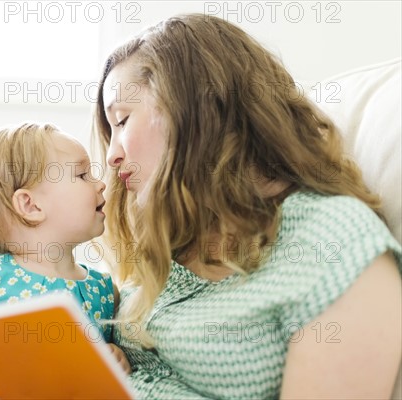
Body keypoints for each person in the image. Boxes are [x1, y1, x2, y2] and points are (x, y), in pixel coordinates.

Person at [90, 13, 402, 399]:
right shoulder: (174, 242)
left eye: (121, 121)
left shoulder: (334, 243)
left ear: (195, 108)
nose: (112, 157)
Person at [0, 122, 130, 373]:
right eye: (82, 175)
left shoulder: (104, 289)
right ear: (31, 206)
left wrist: (117, 357)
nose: (101, 184)